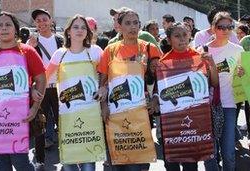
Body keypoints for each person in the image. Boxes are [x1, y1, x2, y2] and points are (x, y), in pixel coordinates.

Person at [0, 11, 46, 171]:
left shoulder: (27, 51)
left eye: (8, 24)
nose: (4, 28)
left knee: (21, 164)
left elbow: (41, 79)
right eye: (0, 25)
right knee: (1, 166)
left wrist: (35, 107)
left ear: (15, 29)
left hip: (19, 119)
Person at [98, 9, 162, 171]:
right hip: (115, 113)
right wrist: (104, 106)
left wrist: (155, 98)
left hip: (142, 112)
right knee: (118, 162)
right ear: (119, 27)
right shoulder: (110, 51)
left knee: (138, 163)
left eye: (136, 23)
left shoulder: (150, 49)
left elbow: (162, 77)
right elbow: (103, 82)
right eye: (128, 23)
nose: (132, 27)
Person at [150, 22, 218, 171]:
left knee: (191, 163)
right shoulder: (163, 63)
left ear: (190, 36)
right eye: (177, 36)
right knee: (171, 163)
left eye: (185, 35)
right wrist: (155, 99)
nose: (182, 39)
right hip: (171, 122)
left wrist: (211, 65)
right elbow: (158, 89)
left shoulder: (199, 57)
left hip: (194, 118)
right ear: (169, 40)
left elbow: (214, 83)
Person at [43, 14, 104, 171]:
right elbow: (44, 77)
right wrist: (35, 91)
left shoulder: (96, 51)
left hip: (91, 113)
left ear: (88, 32)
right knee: (69, 163)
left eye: (83, 27)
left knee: (89, 163)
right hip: (67, 115)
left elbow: (107, 75)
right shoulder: (60, 54)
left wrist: (103, 87)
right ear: (68, 31)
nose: (80, 30)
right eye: (75, 27)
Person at [204, 11, 244, 171]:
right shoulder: (202, 49)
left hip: (229, 104)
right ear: (213, 28)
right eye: (221, 27)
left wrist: (243, 73)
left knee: (228, 152)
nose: (226, 30)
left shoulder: (238, 50)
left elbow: (243, 78)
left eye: (230, 27)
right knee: (210, 154)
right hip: (206, 106)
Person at [27, 8, 64, 169]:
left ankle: (68, 155)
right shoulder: (32, 43)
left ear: (50, 20)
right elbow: (26, 68)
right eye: (38, 20)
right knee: (39, 125)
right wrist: (31, 88)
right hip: (41, 89)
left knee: (62, 123)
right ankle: (40, 160)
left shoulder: (61, 40)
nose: (41, 22)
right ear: (35, 24)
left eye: (44, 19)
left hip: (59, 88)